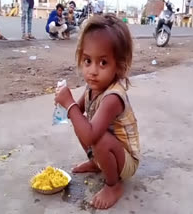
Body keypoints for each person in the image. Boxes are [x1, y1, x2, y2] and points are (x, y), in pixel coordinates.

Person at [55, 14, 140, 209]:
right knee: (80, 122)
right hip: (111, 151)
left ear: (118, 65)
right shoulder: (92, 88)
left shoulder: (113, 97)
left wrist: (69, 105)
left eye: (103, 63)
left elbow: (91, 133)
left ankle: (114, 185)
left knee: (97, 136)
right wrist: (64, 104)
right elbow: (76, 112)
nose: (92, 71)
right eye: (87, 61)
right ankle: (97, 162)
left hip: (126, 160)